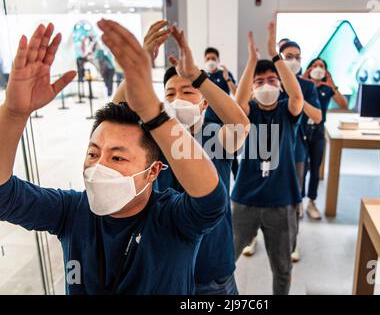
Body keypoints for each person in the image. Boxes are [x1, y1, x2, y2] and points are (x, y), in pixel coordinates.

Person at [0, 20, 228, 295]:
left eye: (117, 158)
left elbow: (211, 201)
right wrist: (13, 114)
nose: (99, 166)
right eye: (93, 153)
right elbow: (4, 196)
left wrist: (154, 112)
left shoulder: (171, 219)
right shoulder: (72, 212)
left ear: (154, 171)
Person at [113, 20, 250, 295]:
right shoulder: (151, 139)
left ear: (204, 103)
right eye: (171, 94)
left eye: (188, 92)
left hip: (211, 268)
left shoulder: (214, 136)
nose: (178, 99)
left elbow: (240, 124)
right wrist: (137, 67)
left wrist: (197, 76)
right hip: (164, 267)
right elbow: (114, 117)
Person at [232, 22, 304, 295]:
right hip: (244, 200)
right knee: (226, 262)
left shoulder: (288, 111)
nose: (266, 85)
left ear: (281, 85)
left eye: (272, 80)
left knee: (282, 268)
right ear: (251, 88)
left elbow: (296, 94)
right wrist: (251, 62)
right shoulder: (248, 112)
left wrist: (275, 54)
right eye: (259, 82)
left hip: (282, 201)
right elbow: (237, 103)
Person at [241, 40, 322, 262]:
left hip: (292, 153)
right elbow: (241, 105)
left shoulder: (298, 92)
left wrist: (280, 72)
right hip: (261, 156)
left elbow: (310, 111)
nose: (293, 60)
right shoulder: (254, 104)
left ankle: (291, 242)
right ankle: (251, 236)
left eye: (297, 56)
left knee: (290, 203)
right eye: (289, 56)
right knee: (256, 202)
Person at [301, 58, 348, 219]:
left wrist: (332, 85)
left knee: (315, 167)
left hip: (318, 131)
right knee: (302, 166)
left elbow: (343, 104)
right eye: (314, 66)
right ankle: (298, 200)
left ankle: (311, 202)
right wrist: (303, 78)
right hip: (301, 130)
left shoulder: (327, 89)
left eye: (321, 66)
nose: (318, 69)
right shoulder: (303, 86)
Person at [203, 46, 240, 179]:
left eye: (213, 58)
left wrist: (227, 78)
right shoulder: (203, 78)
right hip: (208, 120)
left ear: (218, 60)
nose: (211, 61)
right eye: (208, 58)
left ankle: (238, 180)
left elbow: (236, 93)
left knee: (231, 153)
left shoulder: (224, 74)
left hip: (224, 120)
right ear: (204, 60)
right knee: (209, 152)